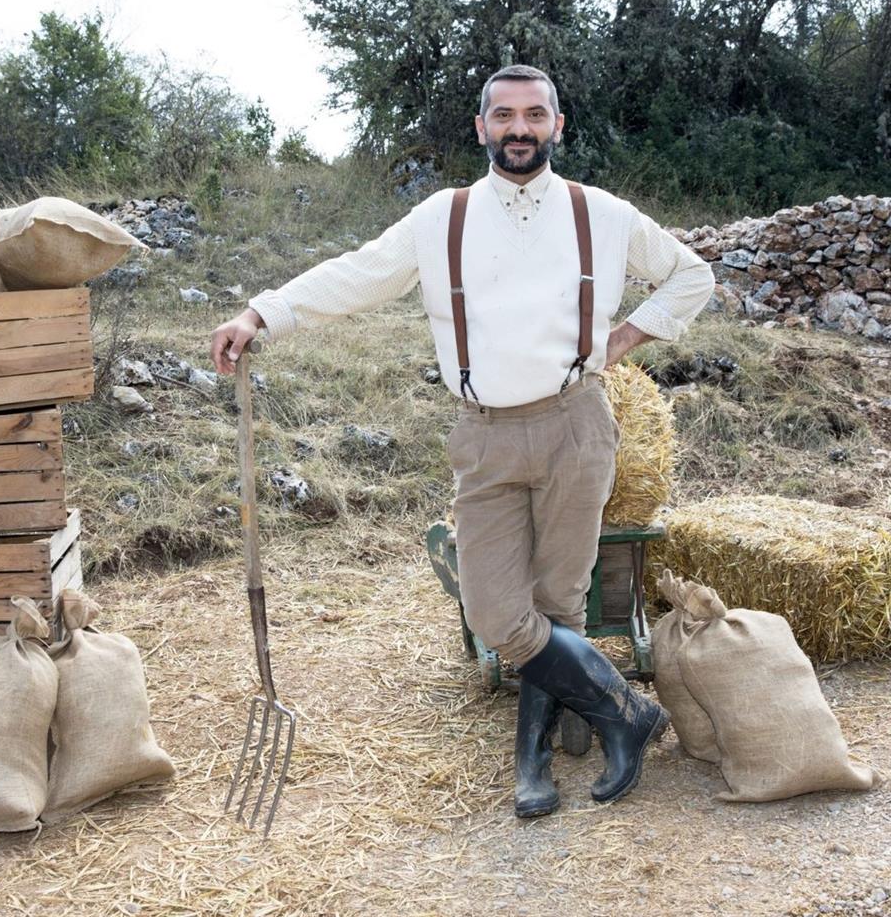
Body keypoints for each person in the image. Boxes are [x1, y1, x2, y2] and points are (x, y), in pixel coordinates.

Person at [211, 64, 715, 818]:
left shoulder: (601, 214)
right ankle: (627, 714)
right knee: (497, 615)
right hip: (483, 436)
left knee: (561, 600)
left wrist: (629, 334)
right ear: (480, 127)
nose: (520, 128)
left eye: (535, 115)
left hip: (578, 423)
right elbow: (354, 276)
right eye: (505, 115)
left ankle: (534, 767)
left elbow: (691, 275)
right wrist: (261, 313)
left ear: (557, 125)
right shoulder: (440, 219)